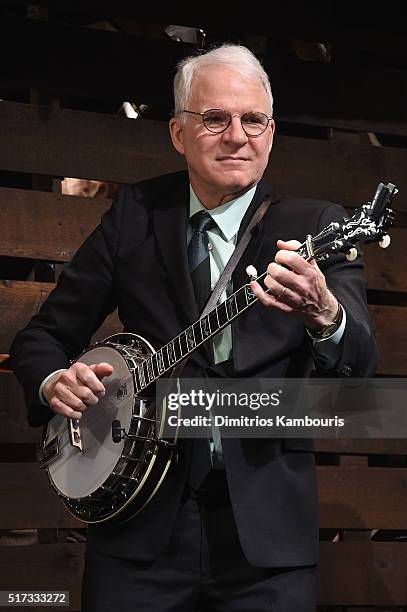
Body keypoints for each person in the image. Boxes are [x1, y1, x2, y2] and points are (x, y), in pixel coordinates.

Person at [11, 44, 378, 611]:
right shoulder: (136, 214)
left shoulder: (318, 228)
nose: (237, 135)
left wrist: (326, 317)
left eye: (253, 119)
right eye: (215, 118)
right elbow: (42, 337)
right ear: (179, 133)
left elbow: (359, 365)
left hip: (267, 540)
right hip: (138, 524)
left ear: (272, 131)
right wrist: (53, 380)